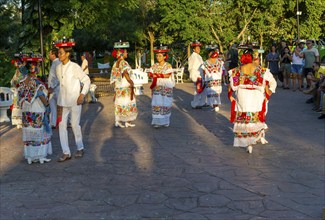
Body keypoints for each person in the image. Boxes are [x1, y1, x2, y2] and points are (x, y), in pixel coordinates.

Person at [228, 50, 277, 154]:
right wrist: (268, 94)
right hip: (256, 96)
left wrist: (231, 96)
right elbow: (272, 82)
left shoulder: (236, 71)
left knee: (244, 118)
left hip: (242, 95)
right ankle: (253, 140)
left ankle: (247, 143)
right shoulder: (262, 71)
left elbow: (231, 86)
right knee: (255, 117)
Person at [55, 43, 90, 162]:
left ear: (67, 54)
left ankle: (80, 147)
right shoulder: (57, 68)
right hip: (62, 102)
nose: (59, 55)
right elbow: (57, 83)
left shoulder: (75, 67)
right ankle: (66, 152)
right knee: (62, 126)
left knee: (75, 125)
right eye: (58, 53)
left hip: (75, 101)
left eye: (61, 52)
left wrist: (82, 94)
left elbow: (86, 80)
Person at [17, 60, 52, 164]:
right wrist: (47, 105)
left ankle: (30, 157)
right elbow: (41, 95)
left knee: (29, 133)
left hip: (26, 112)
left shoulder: (22, 82)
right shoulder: (36, 82)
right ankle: (41, 155)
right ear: (34, 69)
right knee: (41, 133)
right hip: (37, 110)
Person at [110, 41, 138, 128]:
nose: (127, 53)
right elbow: (125, 72)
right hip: (125, 85)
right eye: (126, 52)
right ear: (122, 53)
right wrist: (131, 81)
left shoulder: (116, 63)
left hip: (119, 86)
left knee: (120, 103)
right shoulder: (124, 62)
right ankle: (125, 121)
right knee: (127, 102)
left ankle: (119, 121)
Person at [148, 45, 174, 128]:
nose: (158, 57)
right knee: (157, 103)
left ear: (164, 57)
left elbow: (167, 75)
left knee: (166, 103)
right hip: (157, 88)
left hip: (165, 87)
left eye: (160, 56)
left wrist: (156, 75)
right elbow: (150, 74)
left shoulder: (168, 65)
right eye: (157, 56)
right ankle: (157, 122)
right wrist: (158, 75)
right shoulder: (154, 66)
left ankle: (166, 121)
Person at [188, 41, 205, 109]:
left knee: (202, 90)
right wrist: (193, 76)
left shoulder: (199, 56)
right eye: (197, 48)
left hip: (201, 75)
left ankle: (201, 103)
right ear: (194, 49)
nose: (199, 49)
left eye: (199, 48)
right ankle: (195, 104)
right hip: (196, 75)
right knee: (198, 90)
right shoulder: (192, 57)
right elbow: (191, 67)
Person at [47, 48, 61, 128]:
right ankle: (53, 123)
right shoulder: (54, 63)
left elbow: (59, 77)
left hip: (57, 88)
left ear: (53, 54)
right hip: (53, 89)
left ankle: (68, 121)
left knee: (63, 106)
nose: (49, 55)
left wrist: (52, 87)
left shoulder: (58, 63)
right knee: (52, 106)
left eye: (50, 53)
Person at [10, 57, 24, 129]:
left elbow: (23, 79)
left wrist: (18, 83)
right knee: (16, 106)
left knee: (21, 105)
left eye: (17, 63)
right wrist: (13, 82)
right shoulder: (17, 71)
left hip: (21, 90)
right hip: (16, 90)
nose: (16, 64)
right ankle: (18, 121)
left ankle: (21, 121)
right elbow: (13, 80)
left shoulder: (23, 70)